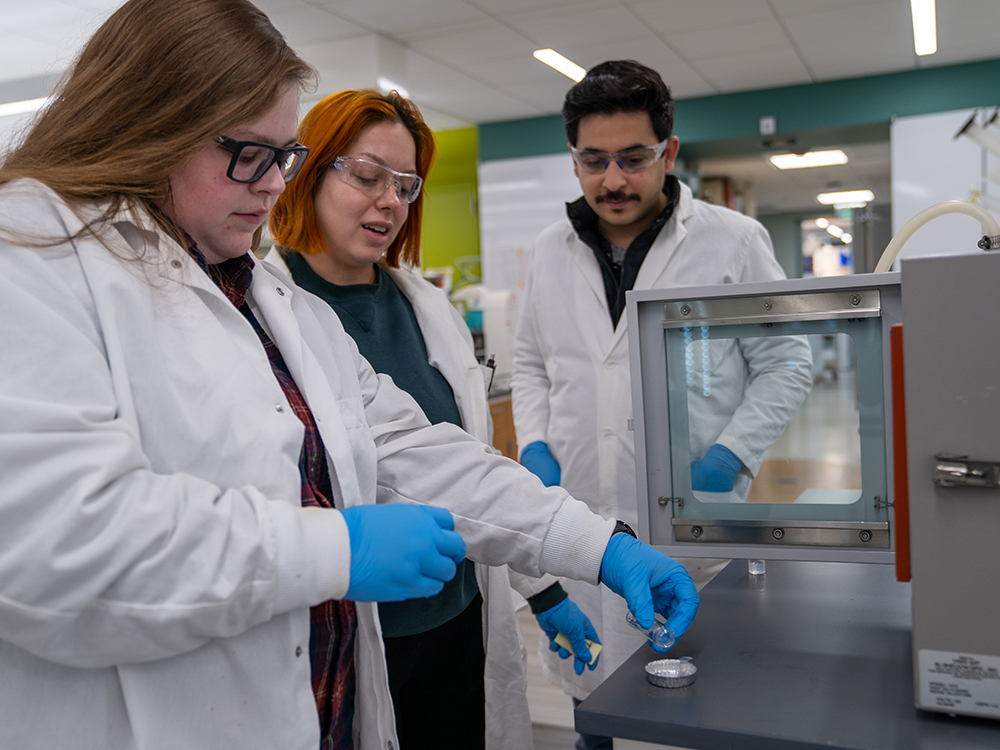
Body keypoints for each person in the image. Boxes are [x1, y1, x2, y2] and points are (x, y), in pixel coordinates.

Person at [0, 6, 699, 749]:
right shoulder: (33, 252)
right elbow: (50, 542)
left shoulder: (266, 299)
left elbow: (412, 451)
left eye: (284, 158)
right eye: (249, 155)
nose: (271, 186)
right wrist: (333, 549)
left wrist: (597, 544)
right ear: (153, 123)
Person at [266, 88, 600, 750]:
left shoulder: (429, 311)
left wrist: (544, 590)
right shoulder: (267, 311)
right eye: (367, 176)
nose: (390, 201)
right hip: (343, 637)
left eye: (407, 186)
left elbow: (467, 468)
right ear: (308, 168)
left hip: (454, 619)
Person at [511, 60, 813, 749]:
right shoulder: (553, 250)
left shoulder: (731, 242)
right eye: (593, 160)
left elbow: (786, 360)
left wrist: (730, 457)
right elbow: (530, 361)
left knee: (698, 697)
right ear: (574, 159)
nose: (612, 180)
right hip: (582, 510)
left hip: (691, 514)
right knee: (591, 694)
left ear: (668, 153)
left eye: (632, 158)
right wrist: (536, 442)